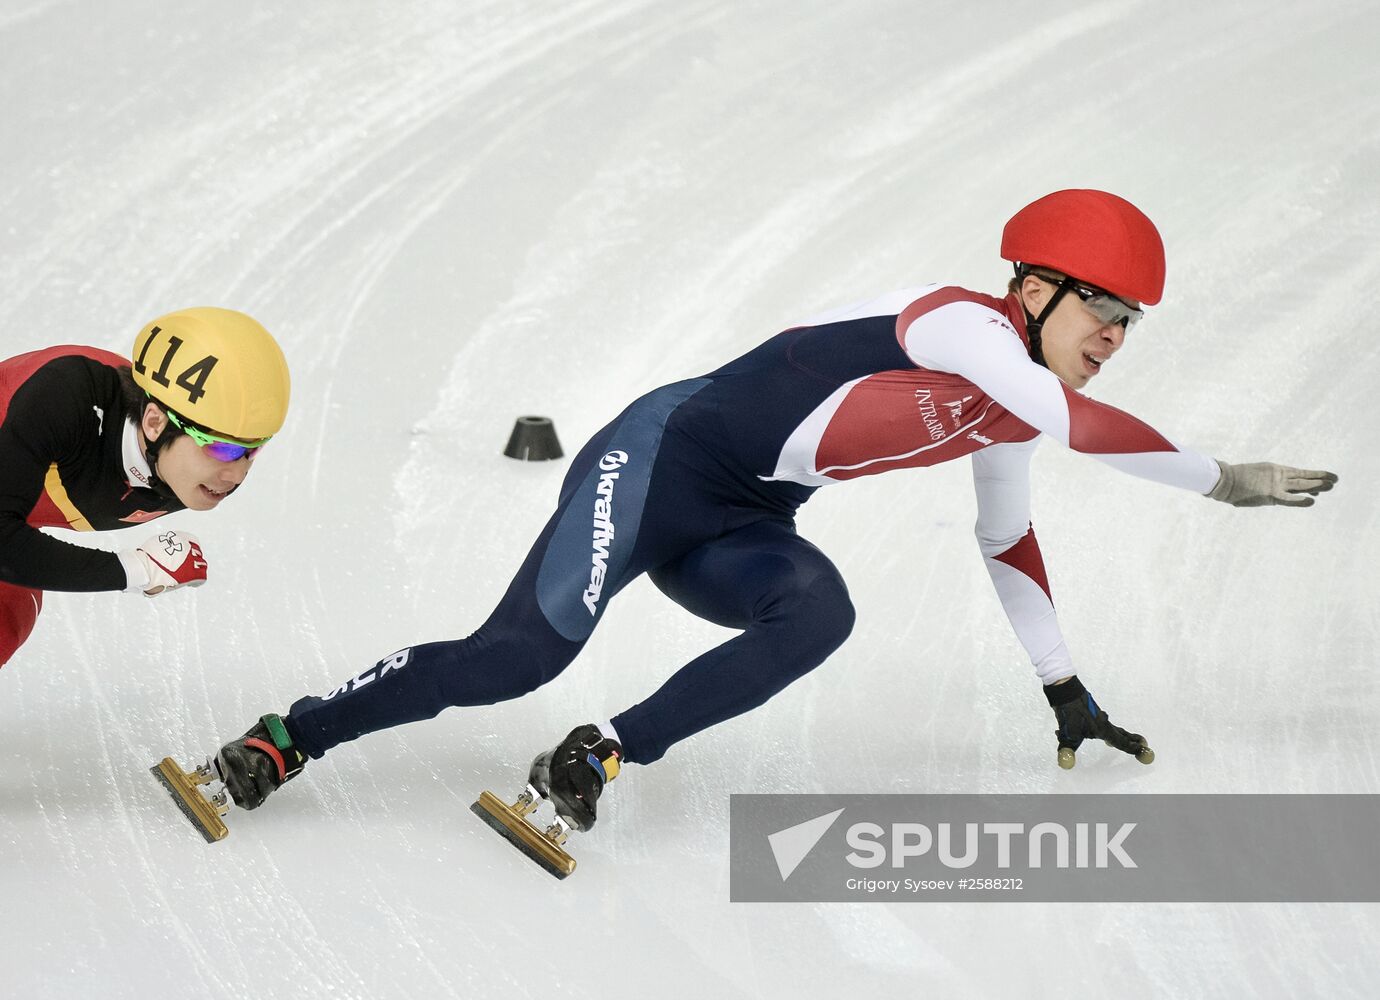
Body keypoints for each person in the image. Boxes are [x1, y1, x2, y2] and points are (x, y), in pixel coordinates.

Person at [210, 190, 1336, 837]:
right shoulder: (961, 326)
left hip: (745, 521)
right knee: (515, 656)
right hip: (655, 461)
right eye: (1103, 308)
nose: (1115, 337)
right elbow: (1088, 428)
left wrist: (1065, 687)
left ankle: (597, 759)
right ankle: (290, 734)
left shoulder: (1012, 408)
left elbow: (1005, 538)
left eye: (1131, 322)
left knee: (818, 613)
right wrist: (1224, 478)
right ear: (1034, 290)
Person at [0, 308, 291, 667]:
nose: (236, 475)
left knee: (10, 611)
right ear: (154, 422)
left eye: (253, 450)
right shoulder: (64, 398)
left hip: (14, 512)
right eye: (221, 447)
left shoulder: (190, 473)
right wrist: (139, 569)